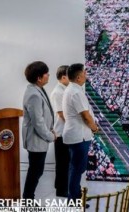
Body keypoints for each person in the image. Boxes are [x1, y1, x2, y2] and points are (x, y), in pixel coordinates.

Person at [62, 63, 99, 202]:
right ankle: (74, 199)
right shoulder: (76, 92)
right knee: (77, 169)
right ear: (78, 77)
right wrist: (94, 128)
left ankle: (76, 195)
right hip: (79, 135)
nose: (86, 75)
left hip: (77, 134)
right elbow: (85, 115)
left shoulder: (72, 89)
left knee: (76, 168)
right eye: (84, 73)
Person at [22, 61, 56, 199]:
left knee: (36, 170)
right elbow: (38, 121)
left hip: (41, 137)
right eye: (46, 73)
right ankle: (27, 199)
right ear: (39, 78)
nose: (49, 75)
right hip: (37, 138)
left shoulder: (38, 89)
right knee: (35, 171)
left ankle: (28, 198)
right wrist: (50, 136)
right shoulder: (34, 94)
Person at [50, 65, 70, 197]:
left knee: (66, 163)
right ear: (63, 77)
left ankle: (64, 187)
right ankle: (62, 190)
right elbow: (61, 113)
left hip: (66, 131)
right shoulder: (58, 92)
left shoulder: (66, 89)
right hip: (61, 132)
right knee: (62, 163)